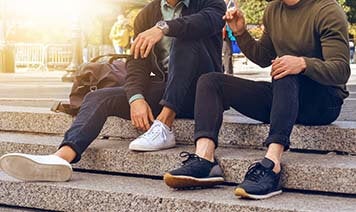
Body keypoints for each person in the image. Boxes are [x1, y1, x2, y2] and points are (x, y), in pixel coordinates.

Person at [0, 0, 226, 182]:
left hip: (203, 94)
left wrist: (163, 28)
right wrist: (136, 98)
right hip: (168, 89)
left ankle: (165, 125)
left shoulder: (210, 3)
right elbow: (137, 64)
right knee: (98, 97)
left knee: (184, 39)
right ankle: (61, 157)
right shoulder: (147, 14)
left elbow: (205, 22)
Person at [164, 0, 350, 200]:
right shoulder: (273, 10)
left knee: (284, 69)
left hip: (323, 102)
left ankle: (272, 165)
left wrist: (303, 63)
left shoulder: (327, 10)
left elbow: (340, 70)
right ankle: (204, 159)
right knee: (210, 82)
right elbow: (264, 57)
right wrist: (241, 33)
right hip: (285, 96)